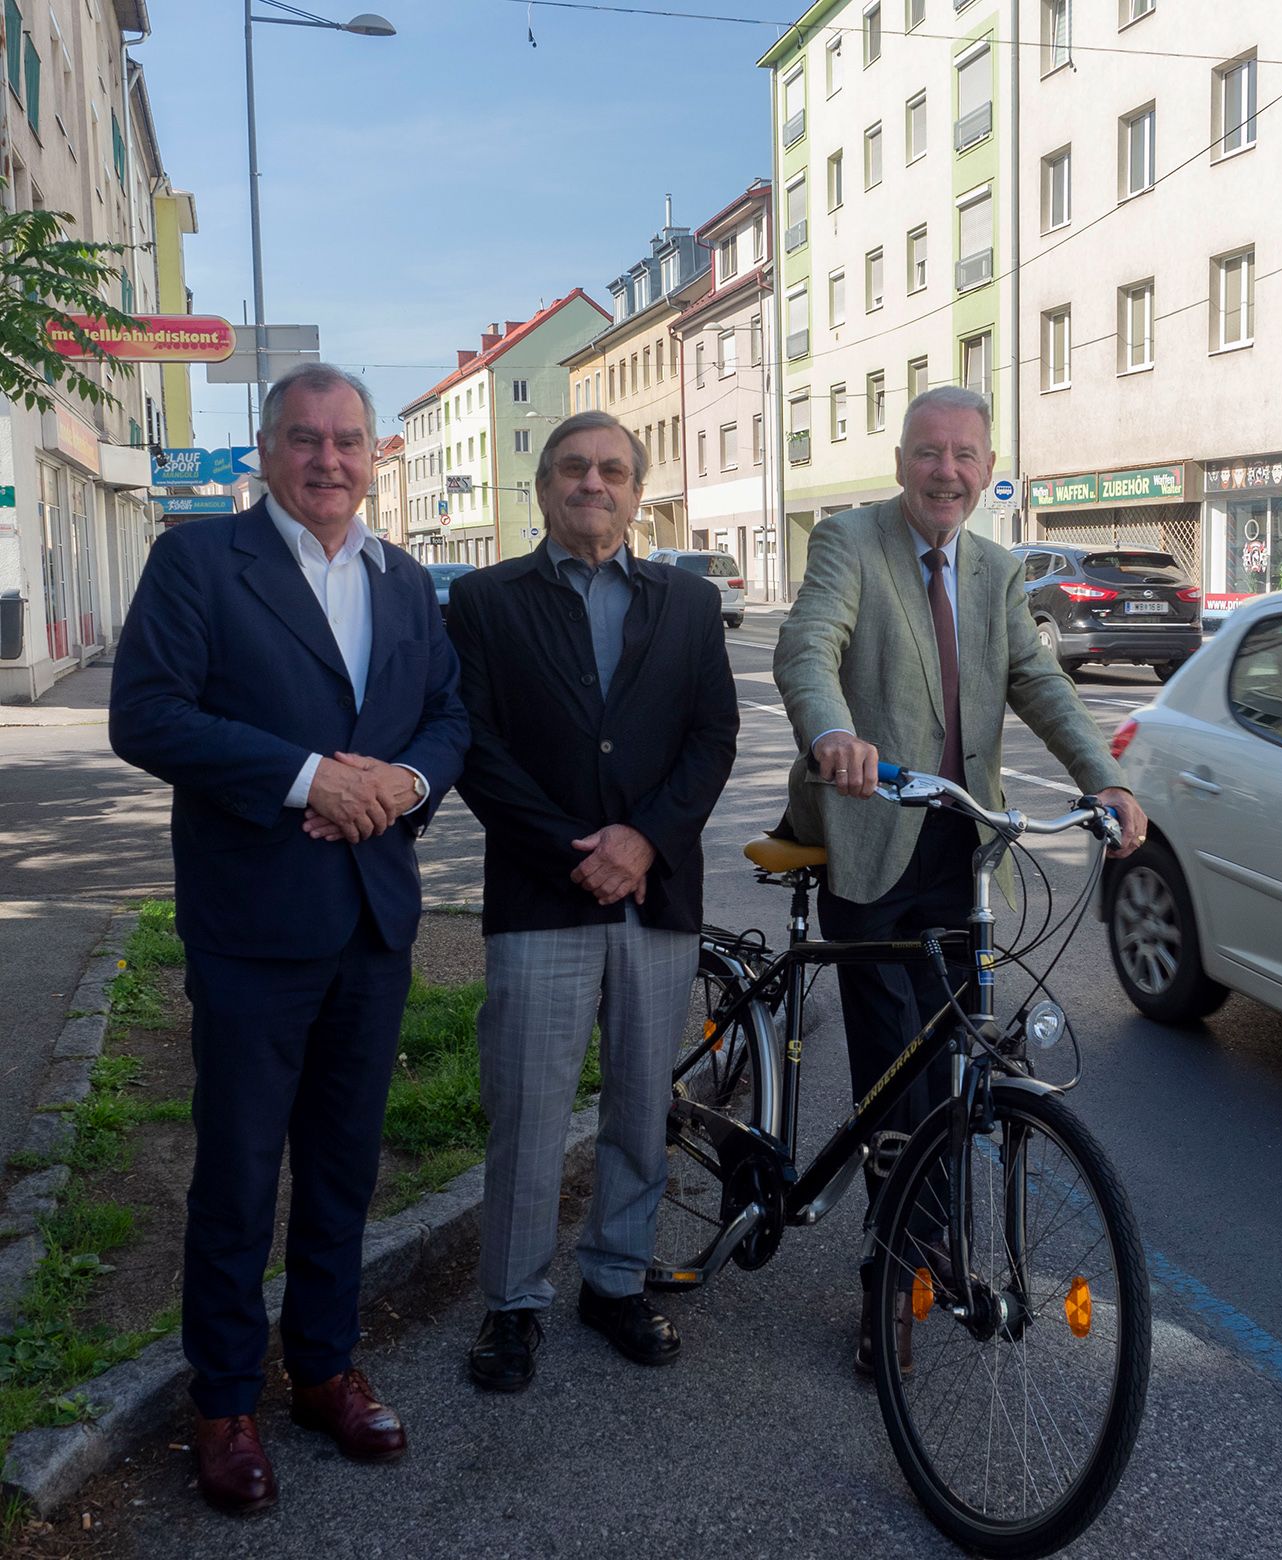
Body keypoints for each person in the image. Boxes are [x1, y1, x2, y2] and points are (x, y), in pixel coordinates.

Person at [108, 362, 469, 1515]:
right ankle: (223, 1401)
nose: (329, 459)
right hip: (253, 925)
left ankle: (322, 1368)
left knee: (344, 1166)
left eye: (348, 440)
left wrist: (403, 784)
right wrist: (312, 777)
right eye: (305, 439)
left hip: (371, 921)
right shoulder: (197, 562)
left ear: (372, 456)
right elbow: (147, 714)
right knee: (237, 1173)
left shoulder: (402, 578)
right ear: (265, 450)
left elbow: (447, 716)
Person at [773, 385, 1147, 1375]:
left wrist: (1104, 781)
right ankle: (891, 1277)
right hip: (869, 836)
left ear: (986, 469)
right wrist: (833, 733)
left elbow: (1038, 683)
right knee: (892, 1075)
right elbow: (807, 647)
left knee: (952, 1067)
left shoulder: (993, 569)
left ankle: (930, 1244)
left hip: (960, 847)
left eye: (965, 455)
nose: (947, 472)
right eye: (929, 453)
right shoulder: (849, 541)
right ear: (901, 461)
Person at [446, 411, 738, 1391]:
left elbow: (713, 737)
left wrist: (645, 840)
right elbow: (476, 747)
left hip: (656, 895)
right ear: (542, 487)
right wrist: (577, 852)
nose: (592, 483)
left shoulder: (688, 603)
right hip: (542, 894)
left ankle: (615, 1280)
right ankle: (511, 1303)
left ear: (636, 491)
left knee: (642, 1105)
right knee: (527, 1109)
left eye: (612, 469)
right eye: (573, 467)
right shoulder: (485, 601)